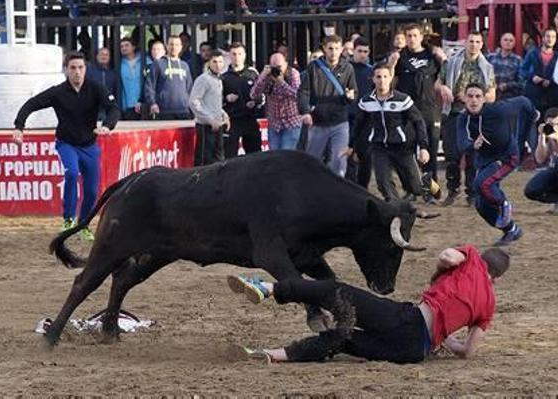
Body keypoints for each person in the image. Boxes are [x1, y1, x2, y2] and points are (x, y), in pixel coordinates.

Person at [227, 245, 509, 364]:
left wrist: (441, 269)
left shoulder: (471, 257)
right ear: (496, 276)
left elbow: (448, 257)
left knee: (336, 290)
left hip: (408, 319)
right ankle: (271, 355)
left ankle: (268, 288)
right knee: (341, 339)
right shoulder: (489, 304)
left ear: (482, 259)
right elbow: (468, 351)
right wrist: (444, 338)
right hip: (414, 350)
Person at [13, 52, 119, 241]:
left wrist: (107, 125)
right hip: (66, 143)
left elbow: (113, 108)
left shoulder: (95, 88)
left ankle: (84, 224)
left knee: (93, 190)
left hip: (89, 145)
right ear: (66, 71)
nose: (77, 72)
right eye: (73, 68)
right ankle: (68, 219)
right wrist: (19, 127)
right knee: (71, 173)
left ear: (85, 69)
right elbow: (31, 104)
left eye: (80, 68)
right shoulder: (58, 92)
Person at [457, 83, 537, 246]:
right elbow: (461, 144)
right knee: (480, 203)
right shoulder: (462, 118)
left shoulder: (498, 109)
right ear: (464, 98)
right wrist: (473, 145)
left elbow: (522, 101)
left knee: (482, 184)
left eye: (478, 96)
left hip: (507, 157)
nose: (474, 100)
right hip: (485, 160)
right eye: (470, 96)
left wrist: (533, 113)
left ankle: (503, 203)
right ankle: (511, 230)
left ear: (484, 98)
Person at [345, 65, 430, 202]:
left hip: (402, 147)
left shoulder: (402, 99)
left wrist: (423, 147)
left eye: (385, 76)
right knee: (382, 182)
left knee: (415, 188)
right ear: (373, 79)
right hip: (379, 147)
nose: (382, 80)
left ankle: (429, 184)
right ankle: (395, 207)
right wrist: (351, 145)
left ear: (391, 78)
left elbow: (418, 122)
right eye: (378, 77)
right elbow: (358, 125)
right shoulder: (366, 102)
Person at [388, 23, 447, 203]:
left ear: (421, 37)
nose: (412, 39)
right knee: (406, 152)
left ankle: (431, 191)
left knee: (430, 151)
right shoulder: (400, 57)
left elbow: (444, 76)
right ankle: (411, 189)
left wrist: (444, 60)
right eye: (409, 36)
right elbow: (390, 84)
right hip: (407, 111)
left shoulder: (433, 55)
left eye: (415, 35)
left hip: (430, 109)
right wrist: (391, 65)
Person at [437, 31, 496, 206]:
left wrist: (474, 98)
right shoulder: (451, 62)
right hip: (453, 113)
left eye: (477, 41)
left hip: (475, 116)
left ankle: (471, 193)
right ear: (465, 43)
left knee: (472, 156)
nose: (474, 44)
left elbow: (492, 94)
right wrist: (444, 89)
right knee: (451, 156)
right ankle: (452, 190)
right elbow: (438, 83)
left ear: (481, 44)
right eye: (471, 41)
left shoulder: (487, 67)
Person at [299, 35, 358, 176]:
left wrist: (351, 96)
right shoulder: (313, 67)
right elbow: (304, 91)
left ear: (342, 49)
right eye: (330, 48)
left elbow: (354, 91)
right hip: (318, 122)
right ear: (324, 49)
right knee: (312, 162)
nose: (334, 52)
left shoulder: (348, 68)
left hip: (340, 122)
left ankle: (336, 193)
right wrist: (305, 111)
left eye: (337, 48)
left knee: (339, 162)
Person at [251, 52, 302, 151]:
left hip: (291, 122)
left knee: (286, 155)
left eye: (279, 66)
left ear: (286, 64)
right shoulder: (267, 77)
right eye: (274, 67)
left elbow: (296, 95)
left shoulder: (292, 74)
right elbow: (253, 95)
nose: (277, 70)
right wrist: (263, 76)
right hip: (274, 123)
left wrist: (281, 82)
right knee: (274, 156)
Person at [190, 51, 230, 166]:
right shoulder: (203, 79)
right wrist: (209, 119)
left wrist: (224, 114)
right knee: (204, 162)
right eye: (215, 62)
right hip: (205, 127)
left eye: (221, 62)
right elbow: (194, 101)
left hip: (217, 125)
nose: (218, 65)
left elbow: (213, 103)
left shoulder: (219, 80)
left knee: (219, 160)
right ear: (209, 63)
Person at [222, 43, 261, 158]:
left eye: (239, 54)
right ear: (229, 56)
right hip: (232, 120)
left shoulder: (252, 74)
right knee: (230, 155)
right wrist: (226, 98)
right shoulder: (224, 77)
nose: (237, 57)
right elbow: (216, 99)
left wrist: (255, 102)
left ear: (244, 55)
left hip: (250, 118)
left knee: (255, 154)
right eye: (234, 54)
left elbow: (261, 94)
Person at [346, 38, 374, 188]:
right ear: (353, 51)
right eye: (360, 51)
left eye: (366, 51)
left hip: (366, 119)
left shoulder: (372, 71)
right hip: (348, 117)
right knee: (348, 154)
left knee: (366, 156)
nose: (363, 54)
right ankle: (351, 186)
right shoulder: (345, 69)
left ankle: (363, 188)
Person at [145, 35, 193, 120]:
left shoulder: (185, 65)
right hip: (163, 111)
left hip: (184, 111)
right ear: (166, 46)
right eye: (171, 44)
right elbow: (149, 86)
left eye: (177, 45)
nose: (174, 47)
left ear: (181, 47)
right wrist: (152, 103)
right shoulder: (158, 64)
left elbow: (189, 88)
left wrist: (190, 105)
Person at [524, 107, 558, 213]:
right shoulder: (550, 135)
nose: (553, 128)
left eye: (556, 124)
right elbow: (539, 159)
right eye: (550, 125)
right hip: (554, 171)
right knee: (531, 190)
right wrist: (542, 138)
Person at [487, 32, 524, 101]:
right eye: (505, 40)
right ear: (501, 42)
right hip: (490, 95)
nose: (508, 42)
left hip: (509, 97)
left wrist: (507, 85)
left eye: (511, 41)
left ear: (514, 44)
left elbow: (521, 82)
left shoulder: (518, 60)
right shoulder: (490, 57)